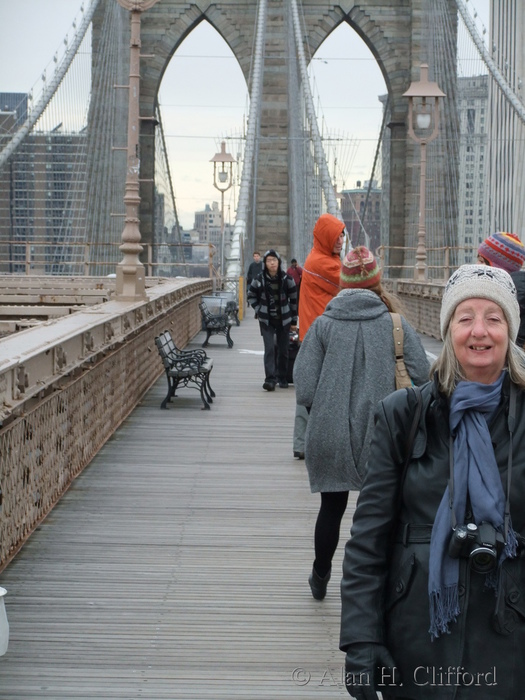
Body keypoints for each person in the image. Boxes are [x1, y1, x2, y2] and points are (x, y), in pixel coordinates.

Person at [340, 264, 525, 700]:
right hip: (417, 636)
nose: (479, 331)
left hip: (509, 636)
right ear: (447, 330)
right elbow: (368, 540)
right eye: (465, 318)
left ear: (510, 331)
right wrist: (361, 640)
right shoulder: (402, 415)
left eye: (493, 318)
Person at [294, 247, 430, 602]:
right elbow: (423, 376)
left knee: (331, 508)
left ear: (344, 283)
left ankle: (320, 574)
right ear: (376, 281)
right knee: (381, 511)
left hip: (329, 432)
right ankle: (372, 588)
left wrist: (327, 407)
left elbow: (304, 387)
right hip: (384, 431)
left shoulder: (323, 325)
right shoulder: (395, 324)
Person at [293, 213, 345, 459]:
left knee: (310, 388)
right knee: (314, 390)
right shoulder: (323, 264)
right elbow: (355, 283)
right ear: (325, 237)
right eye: (336, 235)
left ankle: (305, 443)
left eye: (343, 234)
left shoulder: (321, 258)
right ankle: (307, 443)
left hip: (317, 333)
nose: (341, 240)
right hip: (318, 337)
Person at [247, 249, 297, 391]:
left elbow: (293, 301)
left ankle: (282, 377)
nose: (272, 263)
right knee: (269, 349)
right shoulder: (259, 279)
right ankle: (270, 379)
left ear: (279, 262)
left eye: (274, 260)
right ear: (265, 263)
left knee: (283, 350)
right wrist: (258, 309)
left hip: (284, 320)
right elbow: (251, 295)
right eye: (269, 260)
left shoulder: (287, 279)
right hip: (266, 320)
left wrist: (294, 321)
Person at [477, 231, 525, 347]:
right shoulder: (517, 292)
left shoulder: (510, 298)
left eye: (482, 261)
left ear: (498, 267)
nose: (477, 265)